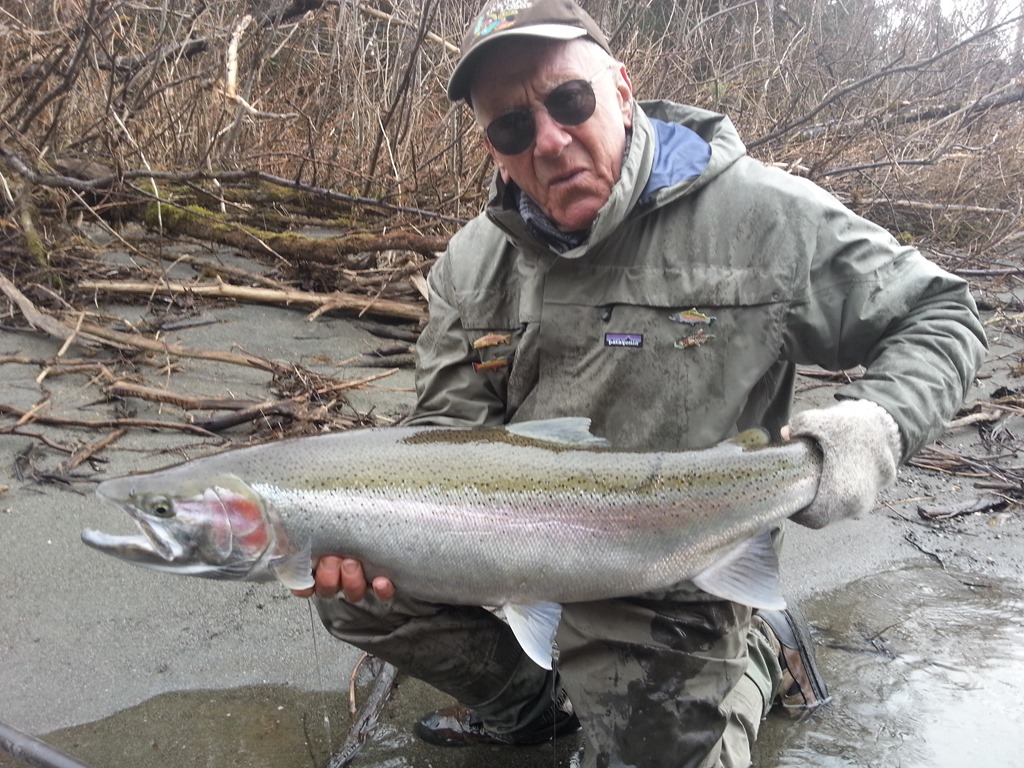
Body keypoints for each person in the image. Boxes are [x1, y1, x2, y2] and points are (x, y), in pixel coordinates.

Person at [295, 1, 988, 765]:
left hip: (682, 573)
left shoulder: (763, 219)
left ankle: (756, 655)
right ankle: (531, 710)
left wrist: (880, 423)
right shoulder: (472, 264)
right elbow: (447, 442)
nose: (549, 141)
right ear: (493, 148)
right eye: (513, 128)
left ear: (622, 90)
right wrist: (381, 538)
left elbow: (942, 313)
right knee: (354, 592)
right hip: (520, 548)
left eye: (569, 101)